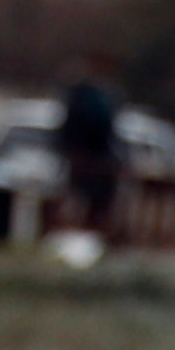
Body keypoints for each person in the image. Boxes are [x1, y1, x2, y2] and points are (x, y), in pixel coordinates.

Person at [54, 58, 123, 245]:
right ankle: (78, 233)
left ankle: (89, 234)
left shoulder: (95, 97)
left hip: (91, 157)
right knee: (81, 199)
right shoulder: (88, 97)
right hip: (87, 157)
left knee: (87, 199)